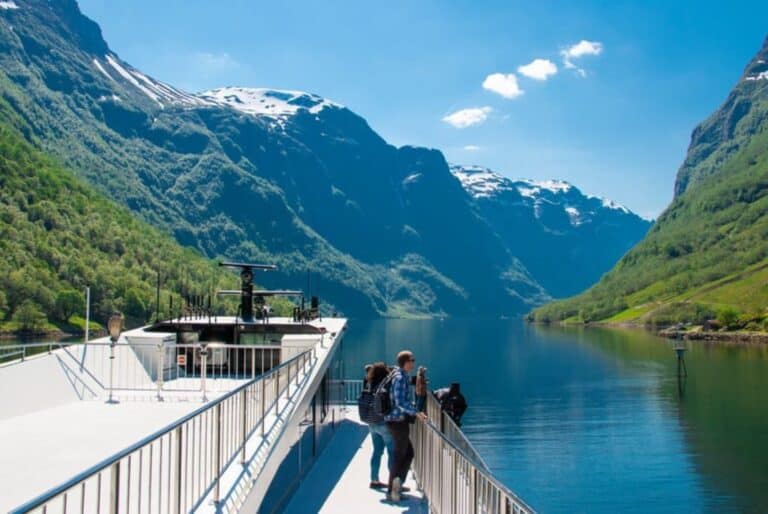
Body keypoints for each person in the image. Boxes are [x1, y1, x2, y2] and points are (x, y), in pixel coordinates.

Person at [385, 350, 427, 502]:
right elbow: (399, 401)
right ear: (406, 362)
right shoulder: (401, 377)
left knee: (407, 453)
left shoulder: (400, 376)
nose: (414, 363)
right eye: (412, 360)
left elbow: (403, 400)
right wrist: (415, 413)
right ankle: (392, 490)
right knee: (400, 454)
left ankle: (397, 483)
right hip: (397, 421)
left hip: (397, 420)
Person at [363, 363, 393, 489]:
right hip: (383, 423)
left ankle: (374, 480)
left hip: (372, 423)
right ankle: (393, 483)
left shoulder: (369, 384)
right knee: (392, 452)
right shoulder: (385, 385)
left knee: (377, 452)